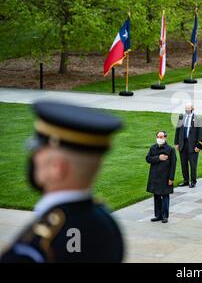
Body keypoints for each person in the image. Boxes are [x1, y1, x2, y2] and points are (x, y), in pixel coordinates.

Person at [1, 101, 124, 263]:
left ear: (57, 168)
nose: (33, 157)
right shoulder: (106, 222)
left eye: (37, 151)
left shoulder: (36, 247)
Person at [145, 131, 176, 224]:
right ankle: (158, 215)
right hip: (155, 177)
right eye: (158, 136)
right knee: (156, 196)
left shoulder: (170, 149)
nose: (159, 138)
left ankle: (165, 216)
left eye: (161, 137)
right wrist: (158, 157)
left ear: (165, 138)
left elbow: (173, 165)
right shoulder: (153, 148)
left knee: (165, 196)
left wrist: (171, 178)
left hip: (165, 177)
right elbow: (148, 159)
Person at [174, 103, 202, 188]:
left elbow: (199, 134)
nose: (187, 110)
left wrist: (199, 146)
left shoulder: (198, 119)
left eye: (188, 108)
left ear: (192, 109)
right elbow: (177, 130)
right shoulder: (181, 117)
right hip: (183, 144)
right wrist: (176, 142)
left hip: (193, 145)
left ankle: (193, 181)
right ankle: (186, 180)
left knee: (193, 164)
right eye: (185, 108)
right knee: (183, 163)